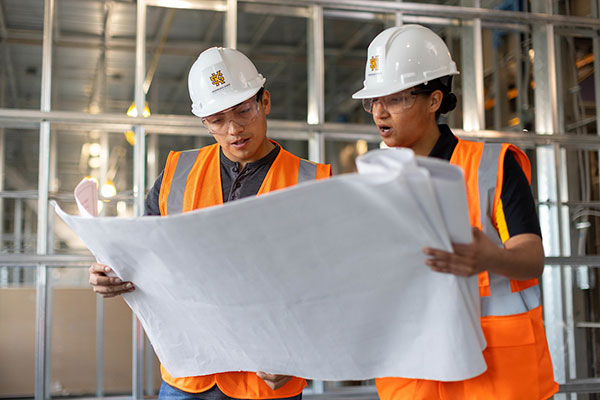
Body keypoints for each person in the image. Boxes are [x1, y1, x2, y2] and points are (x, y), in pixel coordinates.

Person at [89, 47, 331, 400]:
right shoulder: (177, 173)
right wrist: (109, 272)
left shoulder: (312, 181)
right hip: (189, 372)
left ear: (264, 101)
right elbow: (140, 253)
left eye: (243, 110)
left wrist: (300, 353)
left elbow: (328, 284)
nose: (234, 129)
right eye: (217, 120)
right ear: (204, 122)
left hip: (267, 377)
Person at [352, 25, 558, 399]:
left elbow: (531, 258)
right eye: (373, 101)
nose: (379, 112)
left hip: (495, 372)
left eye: (394, 99)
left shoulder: (491, 165)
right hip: (413, 369)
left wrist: (489, 257)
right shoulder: (373, 179)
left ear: (434, 100)